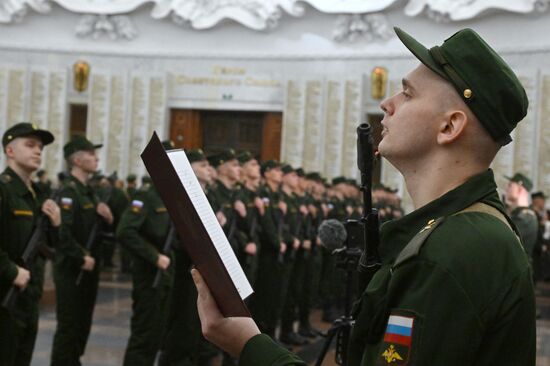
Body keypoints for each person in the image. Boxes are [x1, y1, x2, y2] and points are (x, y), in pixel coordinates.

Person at [191, 27, 536, 366]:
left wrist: (248, 344)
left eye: (408, 94)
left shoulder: (452, 251)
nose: (387, 104)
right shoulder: (459, 232)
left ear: (449, 127)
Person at [0, 123, 61, 366]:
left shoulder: (39, 194)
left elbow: (51, 248)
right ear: (10, 151)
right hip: (4, 296)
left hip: (29, 298)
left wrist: (56, 225)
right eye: (30, 145)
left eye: (40, 147)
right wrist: (11, 270)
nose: (38, 151)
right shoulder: (4, 190)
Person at [50, 136, 114, 366]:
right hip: (71, 268)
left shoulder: (89, 191)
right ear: (77, 160)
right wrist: (80, 256)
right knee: (69, 326)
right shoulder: (69, 192)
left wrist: (107, 217)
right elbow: (62, 233)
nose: (96, 158)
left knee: (82, 324)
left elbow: (96, 229)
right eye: (90, 154)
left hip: (89, 267)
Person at [504, 173, 539, 264]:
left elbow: (502, 240)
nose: (506, 189)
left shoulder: (526, 217)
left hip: (518, 272)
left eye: (510, 186)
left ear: (520, 189)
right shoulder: (518, 213)